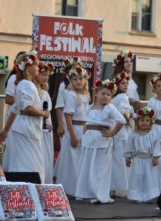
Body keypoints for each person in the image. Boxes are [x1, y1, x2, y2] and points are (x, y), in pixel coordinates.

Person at [0, 51, 50, 183]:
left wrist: (5, 130)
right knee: (30, 164)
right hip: (27, 130)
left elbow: (15, 110)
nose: (38, 68)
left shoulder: (21, 84)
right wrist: (43, 113)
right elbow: (26, 108)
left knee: (21, 162)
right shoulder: (27, 84)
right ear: (28, 67)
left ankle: (21, 193)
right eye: (36, 65)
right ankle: (30, 191)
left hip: (21, 129)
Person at [75, 79, 125, 204]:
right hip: (89, 141)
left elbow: (122, 120)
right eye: (103, 93)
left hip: (102, 142)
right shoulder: (90, 106)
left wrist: (112, 133)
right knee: (86, 166)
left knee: (99, 169)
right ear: (96, 93)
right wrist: (85, 131)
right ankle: (85, 192)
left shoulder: (110, 108)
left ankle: (98, 194)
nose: (106, 96)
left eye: (108, 94)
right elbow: (87, 121)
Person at [55, 62, 90, 196]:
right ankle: (71, 189)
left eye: (80, 78)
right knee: (72, 161)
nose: (78, 81)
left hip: (83, 130)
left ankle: (80, 188)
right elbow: (68, 116)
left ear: (85, 80)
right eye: (75, 79)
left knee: (80, 161)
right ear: (71, 81)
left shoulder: (86, 95)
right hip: (74, 129)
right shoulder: (71, 95)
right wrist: (73, 135)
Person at [125, 106, 161, 202]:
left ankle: (149, 196)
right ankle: (136, 196)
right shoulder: (133, 135)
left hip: (149, 160)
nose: (144, 123)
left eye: (147, 121)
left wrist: (156, 157)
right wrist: (128, 158)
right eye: (142, 120)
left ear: (150, 123)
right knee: (137, 177)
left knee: (149, 178)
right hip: (138, 160)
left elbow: (156, 146)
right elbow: (129, 147)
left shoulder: (153, 134)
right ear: (137, 122)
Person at [110, 71, 131, 197]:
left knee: (117, 160)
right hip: (122, 132)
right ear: (117, 85)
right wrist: (129, 121)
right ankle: (122, 187)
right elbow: (123, 111)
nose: (126, 85)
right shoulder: (123, 97)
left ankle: (115, 186)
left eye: (127, 83)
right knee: (121, 160)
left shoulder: (114, 98)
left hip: (117, 132)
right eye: (123, 83)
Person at [35, 61, 55, 183]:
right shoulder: (35, 92)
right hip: (40, 129)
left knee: (47, 157)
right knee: (40, 156)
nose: (46, 77)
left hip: (47, 131)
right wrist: (44, 124)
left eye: (47, 75)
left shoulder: (45, 93)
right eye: (43, 74)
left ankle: (46, 181)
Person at [4, 51, 25, 122]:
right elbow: (8, 99)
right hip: (13, 118)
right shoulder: (13, 78)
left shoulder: (25, 80)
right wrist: (24, 102)